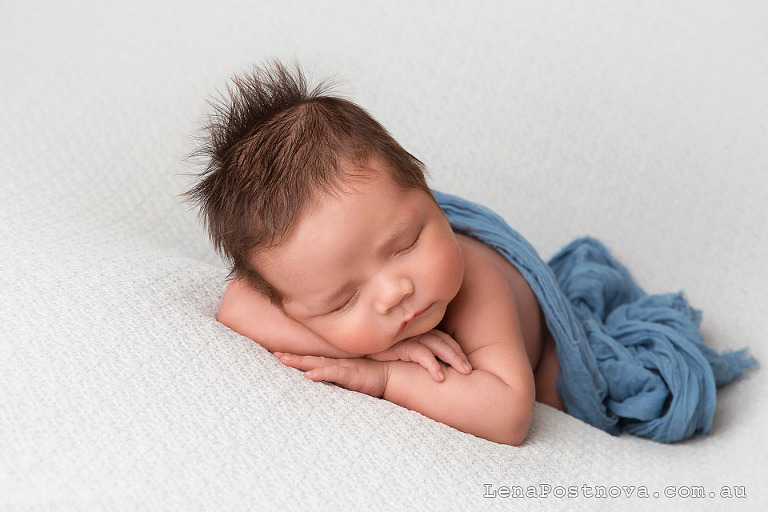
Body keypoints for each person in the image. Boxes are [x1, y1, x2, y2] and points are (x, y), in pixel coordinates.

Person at [185, 61, 563, 446]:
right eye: (343, 301)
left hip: (540, 329)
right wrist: (379, 346)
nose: (393, 293)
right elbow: (236, 309)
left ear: (428, 194)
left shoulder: (478, 283)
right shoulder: (309, 277)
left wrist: (385, 376)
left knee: (557, 387)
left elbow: (508, 416)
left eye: (406, 244)